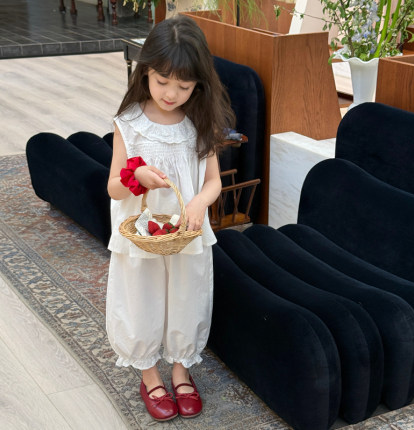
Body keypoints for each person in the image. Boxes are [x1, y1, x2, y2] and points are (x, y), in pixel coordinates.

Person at [106, 15, 235, 421]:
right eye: (162, 81)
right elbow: (113, 187)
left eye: (184, 86)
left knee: (186, 296)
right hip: (140, 236)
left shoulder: (199, 123)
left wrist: (198, 203)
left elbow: (213, 181)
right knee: (140, 297)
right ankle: (149, 375)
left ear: (199, 84)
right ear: (145, 70)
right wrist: (137, 178)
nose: (171, 94)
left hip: (187, 233)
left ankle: (180, 369)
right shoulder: (129, 124)